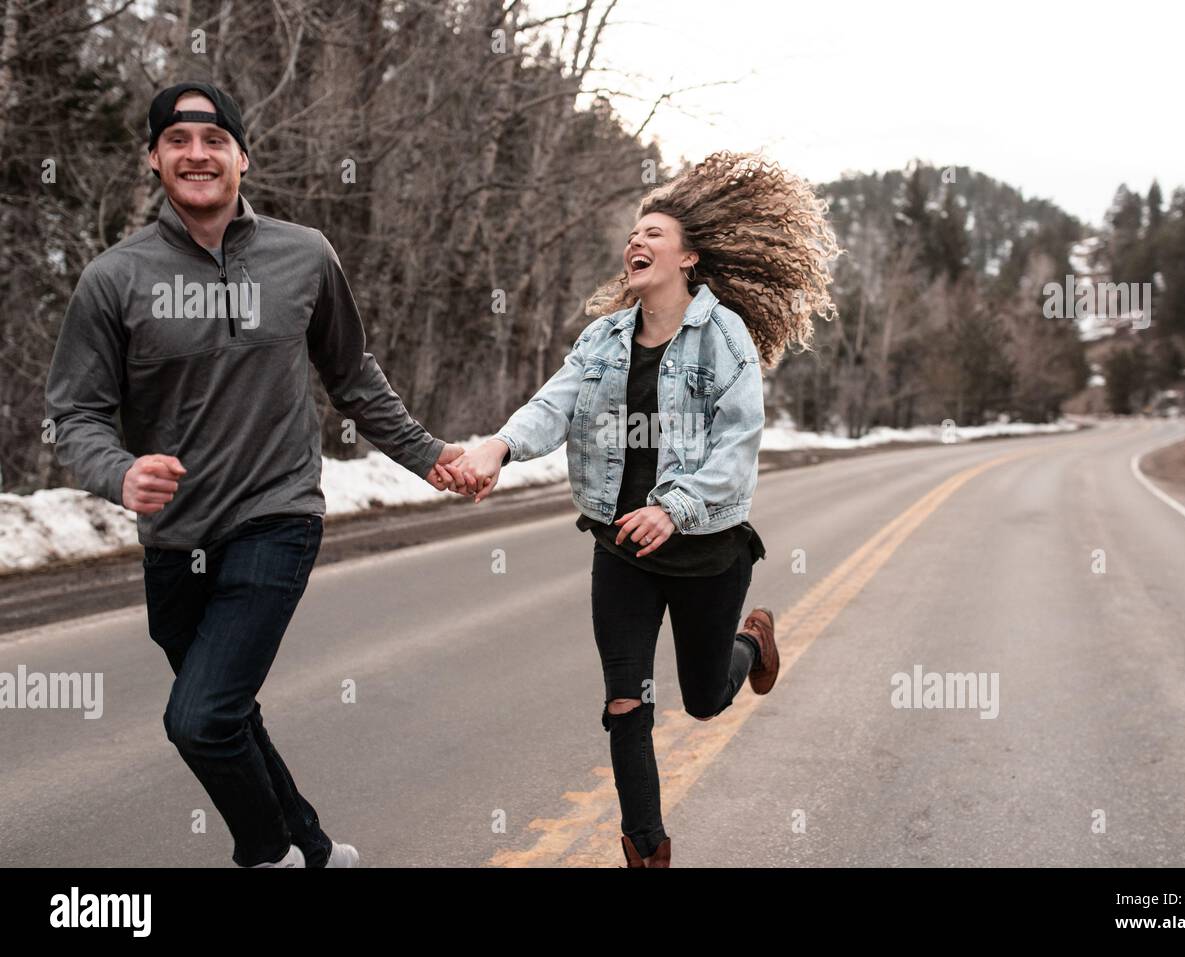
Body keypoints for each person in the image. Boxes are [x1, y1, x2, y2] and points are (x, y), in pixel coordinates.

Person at [44, 81, 467, 868]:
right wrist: (120, 472)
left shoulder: (303, 254)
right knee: (228, 710)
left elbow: (353, 375)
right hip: (176, 537)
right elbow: (77, 413)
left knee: (198, 717)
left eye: (214, 140)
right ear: (154, 158)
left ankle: (264, 853)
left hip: (278, 514)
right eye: (177, 140)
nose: (196, 154)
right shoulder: (114, 278)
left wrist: (428, 453)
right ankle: (310, 848)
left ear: (243, 156)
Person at [449, 151, 841, 866]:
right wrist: (497, 449)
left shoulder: (726, 339)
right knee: (625, 702)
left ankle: (751, 642)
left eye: (655, 232)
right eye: (634, 232)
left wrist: (677, 508)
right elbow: (555, 403)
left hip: (703, 551)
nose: (638, 240)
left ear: (689, 255)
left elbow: (738, 445)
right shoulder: (602, 338)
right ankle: (648, 847)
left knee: (702, 699)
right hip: (621, 547)